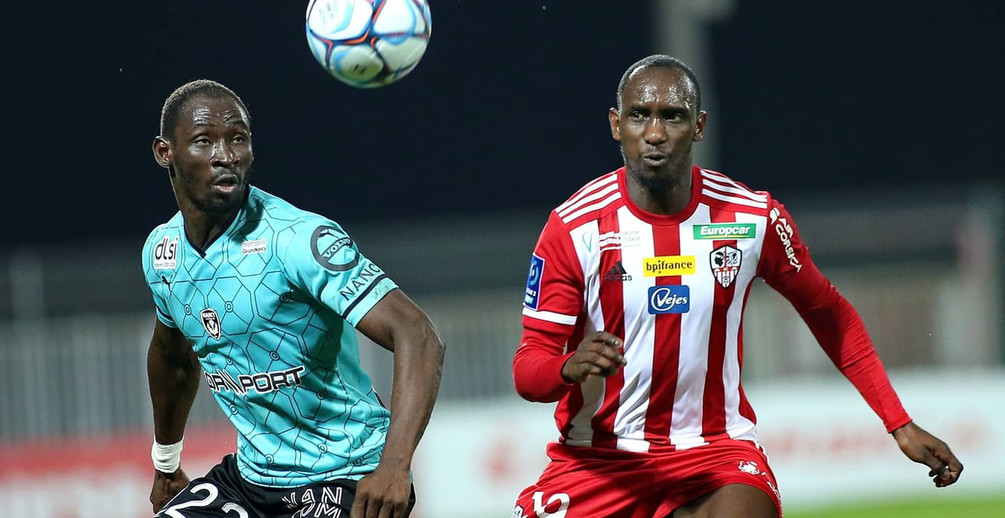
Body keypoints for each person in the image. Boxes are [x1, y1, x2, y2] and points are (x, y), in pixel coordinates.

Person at [510, 55, 963, 518]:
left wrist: (898, 422)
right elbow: (529, 370)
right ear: (615, 124)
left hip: (717, 455)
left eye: (673, 116)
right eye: (639, 115)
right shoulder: (573, 228)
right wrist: (567, 367)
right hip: (599, 461)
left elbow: (829, 311)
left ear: (699, 126)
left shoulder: (752, 219)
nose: (654, 133)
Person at [142, 79, 444, 518]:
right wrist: (167, 465)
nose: (226, 156)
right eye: (205, 141)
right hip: (250, 480)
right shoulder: (161, 253)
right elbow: (173, 360)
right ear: (164, 152)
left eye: (238, 139)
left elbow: (418, 333)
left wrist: (395, 466)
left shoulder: (297, 239)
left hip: (346, 474)